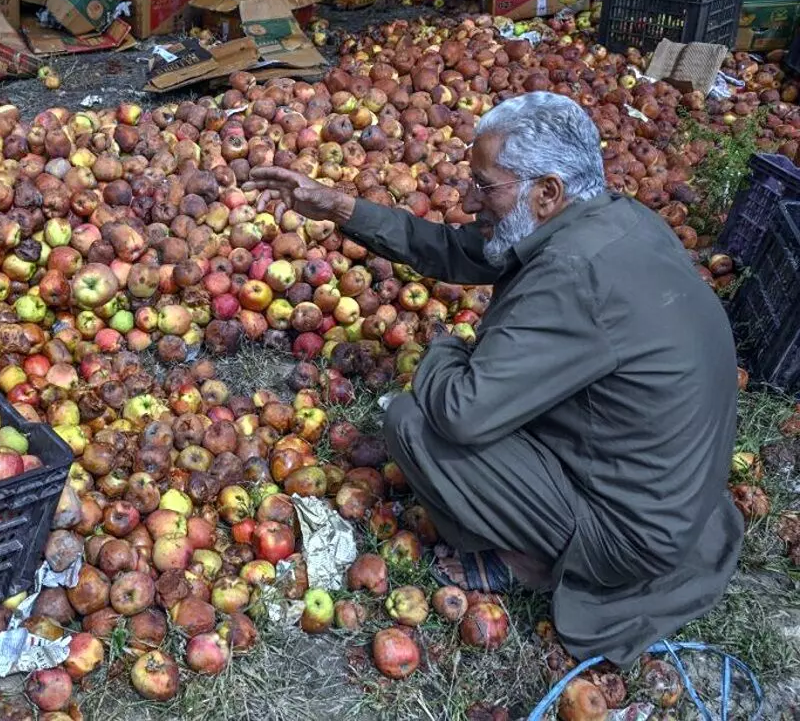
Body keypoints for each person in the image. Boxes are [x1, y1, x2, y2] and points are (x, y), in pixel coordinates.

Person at [244, 91, 743, 669]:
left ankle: (532, 560)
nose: (468, 200)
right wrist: (340, 207)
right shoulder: (611, 218)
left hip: (629, 534)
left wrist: (444, 347)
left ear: (547, 190)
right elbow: (462, 251)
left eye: (485, 187)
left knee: (412, 421)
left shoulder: (572, 274)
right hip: (674, 498)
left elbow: (461, 411)